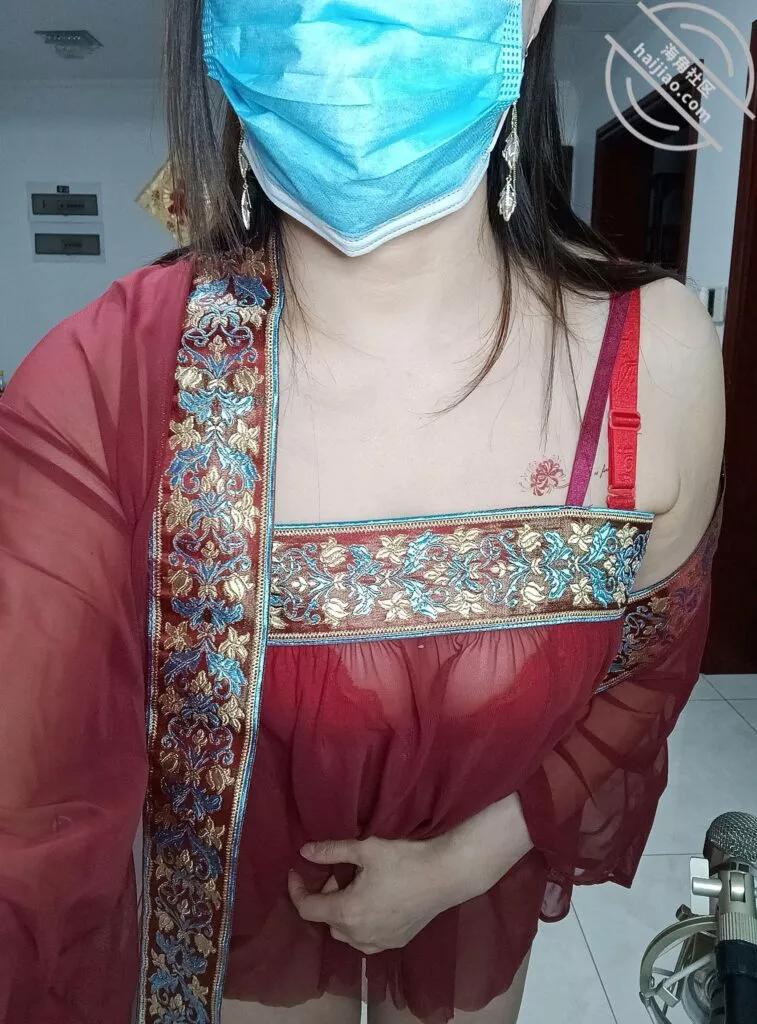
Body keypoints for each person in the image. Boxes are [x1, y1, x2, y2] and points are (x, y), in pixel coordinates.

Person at [0, 1, 724, 1022]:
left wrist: (464, 861)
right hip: (231, 939)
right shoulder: (108, 383)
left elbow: (644, 670)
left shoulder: (655, 362)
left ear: (526, 10)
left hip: (476, 913)